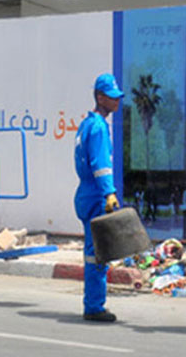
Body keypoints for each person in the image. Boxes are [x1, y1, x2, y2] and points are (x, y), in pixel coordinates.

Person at [74, 73, 123, 322]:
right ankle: (94, 305)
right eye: (112, 98)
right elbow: (100, 164)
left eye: (117, 98)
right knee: (97, 253)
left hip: (86, 193)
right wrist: (109, 193)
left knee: (94, 251)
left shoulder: (87, 124)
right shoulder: (99, 127)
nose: (116, 102)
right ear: (100, 97)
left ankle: (93, 301)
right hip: (95, 194)